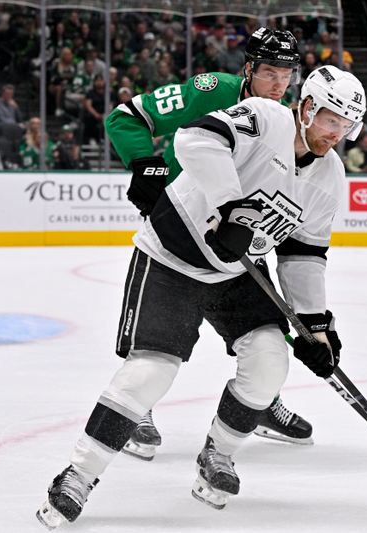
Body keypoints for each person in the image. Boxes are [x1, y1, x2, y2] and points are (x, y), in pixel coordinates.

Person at [36, 65, 365, 529]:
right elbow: (194, 138)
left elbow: (302, 254)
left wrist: (315, 325)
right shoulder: (266, 117)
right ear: (308, 107)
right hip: (173, 254)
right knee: (151, 372)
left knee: (271, 360)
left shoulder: (329, 176)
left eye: (347, 126)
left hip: (234, 272)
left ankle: (219, 454)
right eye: (331, 119)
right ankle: (78, 474)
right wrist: (230, 205)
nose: (337, 133)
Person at [105, 27, 310, 460]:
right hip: (178, 226)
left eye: (287, 74)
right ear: (250, 68)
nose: (278, 83)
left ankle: (260, 400)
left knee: (264, 328)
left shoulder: (287, 121)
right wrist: (146, 166)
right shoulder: (211, 89)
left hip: (234, 237)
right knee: (158, 332)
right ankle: (138, 405)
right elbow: (125, 116)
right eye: (270, 71)